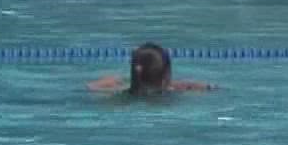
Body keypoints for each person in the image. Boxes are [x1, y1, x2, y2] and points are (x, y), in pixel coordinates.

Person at [87, 43, 217, 97]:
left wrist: (110, 79)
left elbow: (91, 87)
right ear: (167, 73)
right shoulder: (174, 91)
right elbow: (207, 87)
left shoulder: (121, 92)